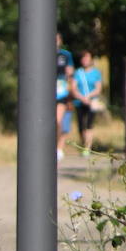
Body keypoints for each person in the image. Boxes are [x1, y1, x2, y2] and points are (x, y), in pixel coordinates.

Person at [71, 50, 104, 153]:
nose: (85, 60)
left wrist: (88, 97)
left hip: (92, 102)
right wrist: (82, 98)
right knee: (81, 125)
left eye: (87, 58)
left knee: (89, 124)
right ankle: (83, 142)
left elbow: (98, 88)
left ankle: (87, 147)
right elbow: (73, 88)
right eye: (83, 58)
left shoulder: (96, 73)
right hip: (79, 101)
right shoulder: (78, 73)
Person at [55, 33, 74, 162]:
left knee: (58, 120)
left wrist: (70, 89)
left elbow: (70, 72)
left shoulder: (65, 55)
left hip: (61, 91)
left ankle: (59, 147)